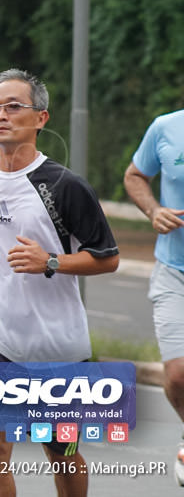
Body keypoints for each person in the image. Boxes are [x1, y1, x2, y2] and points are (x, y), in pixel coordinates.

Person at [0, 68, 118, 497]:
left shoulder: (66, 186)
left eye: (13, 106)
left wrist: (52, 262)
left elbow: (108, 258)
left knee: (61, 448)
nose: (1, 115)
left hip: (55, 340)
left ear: (41, 118)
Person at [124, 105, 184, 486]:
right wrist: (154, 210)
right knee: (178, 375)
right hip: (173, 270)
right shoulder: (166, 127)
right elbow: (135, 176)